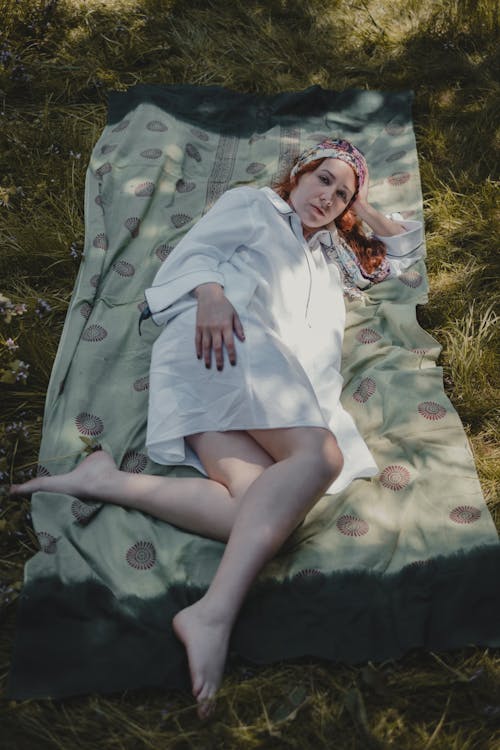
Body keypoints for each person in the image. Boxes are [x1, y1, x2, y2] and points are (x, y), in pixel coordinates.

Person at [11, 139, 423, 719]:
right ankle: (213, 613)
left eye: (340, 194)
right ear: (296, 175)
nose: (326, 196)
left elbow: (404, 254)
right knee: (319, 458)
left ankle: (103, 481)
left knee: (252, 512)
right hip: (224, 340)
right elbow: (197, 252)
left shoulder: (330, 256)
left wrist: (365, 204)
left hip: (258, 384)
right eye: (321, 179)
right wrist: (209, 294)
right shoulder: (255, 205)